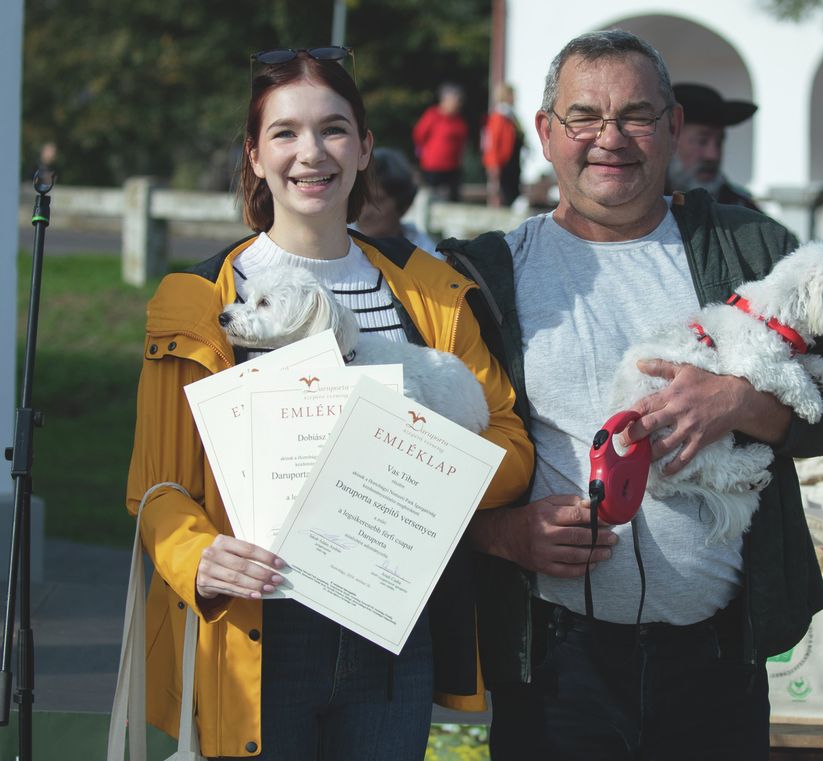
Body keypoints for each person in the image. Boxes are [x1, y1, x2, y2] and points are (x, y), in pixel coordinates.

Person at [438, 30, 823, 760]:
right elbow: (429, 458)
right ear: (545, 133)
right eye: (584, 117)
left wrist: (738, 402)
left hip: (717, 659)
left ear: (672, 128)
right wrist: (503, 535)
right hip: (557, 666)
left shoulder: (745, 248)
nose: (610, 139)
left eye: (636, 115)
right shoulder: (487, 276)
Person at [125, 48, 533, 760]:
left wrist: (419, 457)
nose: (310, 153)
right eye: (284, 133)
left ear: (366, 147)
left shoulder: (432, 292)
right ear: (254, 156)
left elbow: (512, 448)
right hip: (256, 634)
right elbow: (155, 487)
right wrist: (200, 556)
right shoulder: (197, 301)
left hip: (391, 633)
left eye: (334, 129)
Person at [667, 82, 760, 209]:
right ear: (670, 140)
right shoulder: (642, 205)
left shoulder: (740, 208)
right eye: (702, 141)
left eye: (719, 142)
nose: (713, 155)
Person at [355, 146, 439, 255]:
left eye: (376, 201)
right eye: (360, 199)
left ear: (404, 205)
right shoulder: (336, 245)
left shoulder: (427, 257)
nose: (364, 212)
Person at [413, 82, 469, 201]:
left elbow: (462, 143)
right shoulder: (432, 115)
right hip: (433, 166)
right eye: (455, 100)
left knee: (454, 197)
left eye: (459, 101)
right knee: (430, 196)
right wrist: (424, 152)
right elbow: (419, 134)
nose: (458, 104)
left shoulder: (459, 121)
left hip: (453, 167)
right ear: (444, 100)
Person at [482, 83, 524, 207]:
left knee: (513, 192)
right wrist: (493, 164)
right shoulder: (498, 117)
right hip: (504, 163)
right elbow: (492, 143)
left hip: (513, 161)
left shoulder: (511, 117)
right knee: (506, 195)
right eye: (513, 95)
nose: (516, 98)